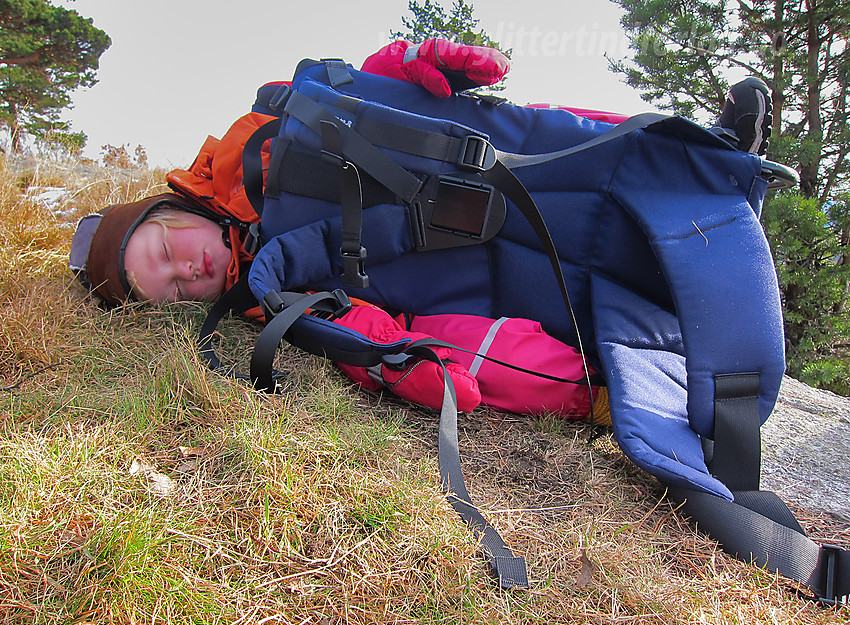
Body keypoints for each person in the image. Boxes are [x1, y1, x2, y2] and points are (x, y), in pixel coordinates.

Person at [68, 39, 773, 420]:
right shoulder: (268, 300)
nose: (184, 272)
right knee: (493, 324)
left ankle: (712, 157)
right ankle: (632, 373)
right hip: (461, 273)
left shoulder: (264, 134)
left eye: (165, 250)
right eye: (167, 291)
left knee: (523, 132)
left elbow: (356, 95)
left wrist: (408, 65)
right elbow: (370, 327)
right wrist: (400, 366)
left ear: (177, 210)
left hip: (460, 159)